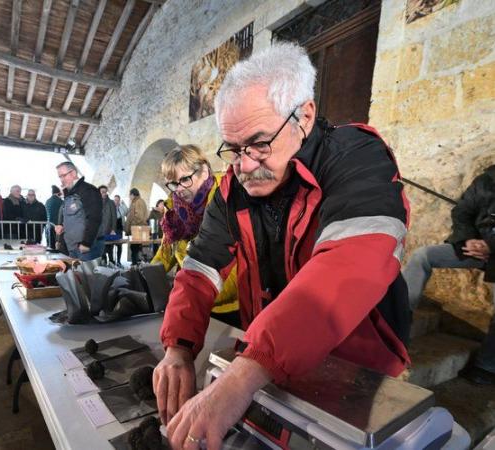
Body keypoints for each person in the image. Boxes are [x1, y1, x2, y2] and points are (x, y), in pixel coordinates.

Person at [154, 41, 412, 449]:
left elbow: (349, 267)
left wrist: (246, 372)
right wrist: (178, 348)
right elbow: (200, 266)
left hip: (354, 365)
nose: (245, 166)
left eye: (259, 144)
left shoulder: (357, 158)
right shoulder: (230, 188)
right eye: (234, 149)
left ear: (304, 116)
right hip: (271, 358)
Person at [403, 165, 495, 385]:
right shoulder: (487, 180)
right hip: (475, 247)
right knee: (422, 256)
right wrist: (468, 239)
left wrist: (491, 246)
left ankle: (487, 365)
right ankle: (397, 323)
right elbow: (462, 212)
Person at [151, 146, 240, 327]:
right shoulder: (174, 213)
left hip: (229, 309)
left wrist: (189, 295)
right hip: (191, 303)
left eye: (185, 179)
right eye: (174, 183)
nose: (179, 189)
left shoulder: (228, 201)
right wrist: (145, 279)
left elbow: (238, 266)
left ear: (204, 171)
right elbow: (166, 254)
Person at [54, 162, 104, 261]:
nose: (61, 180)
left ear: (73, 173)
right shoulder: (70, 193)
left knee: (88, 276)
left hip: (85, 249)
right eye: (60, 177)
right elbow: (73, 218)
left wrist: (86, 243)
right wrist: (62, 228)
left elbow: (94, 217)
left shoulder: (88, 190)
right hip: (73, 248)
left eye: (63, 176)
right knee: (76, 276)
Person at [125, 188, 148, 264]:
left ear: (133, 194)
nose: (129, 197)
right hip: (137, 228)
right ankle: (136, 264)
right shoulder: (137, 201)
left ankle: (135, 265)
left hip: (138, 228)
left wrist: (132, 224)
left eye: (130, 195)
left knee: (135, 248)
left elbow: (139, 216)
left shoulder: (138, 202)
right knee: (135, 248)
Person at [98, 185, 117, 264]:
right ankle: (104, 265)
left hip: (109, 230)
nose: (104, 194)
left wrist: (113, 229)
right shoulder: (96, 202)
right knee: (101, 251)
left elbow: (114, 217)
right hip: (99, 231)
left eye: (105, 192)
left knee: (110, 250)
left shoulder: (111, 202)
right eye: (102, 192)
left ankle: (112, 264)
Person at [109, 194, 128, 265]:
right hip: (112, 230)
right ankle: (111, 261)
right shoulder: (110, 208)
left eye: (117, 200)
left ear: (119, 201)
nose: (116, 201)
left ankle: (119, 261)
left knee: (119, 245)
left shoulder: (121, 208)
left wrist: (123, 203)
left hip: (119, 229)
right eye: (115, 200)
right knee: (111, 245)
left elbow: (127, 211)